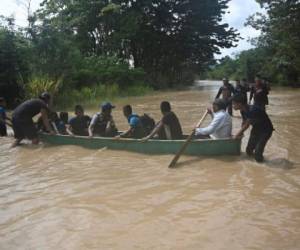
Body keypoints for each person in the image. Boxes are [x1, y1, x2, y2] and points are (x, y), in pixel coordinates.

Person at [232, 95, 274, 162]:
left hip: (266, 131)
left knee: (257, 154)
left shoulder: (252, 110)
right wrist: (241, 133)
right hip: (256, 128)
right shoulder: (242, 111)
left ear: (239, 104)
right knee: (249, 151)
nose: (233, 106)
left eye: (234, 104)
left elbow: (247, 124)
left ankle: (261, 165)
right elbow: (244, 122)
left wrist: (237, 135)